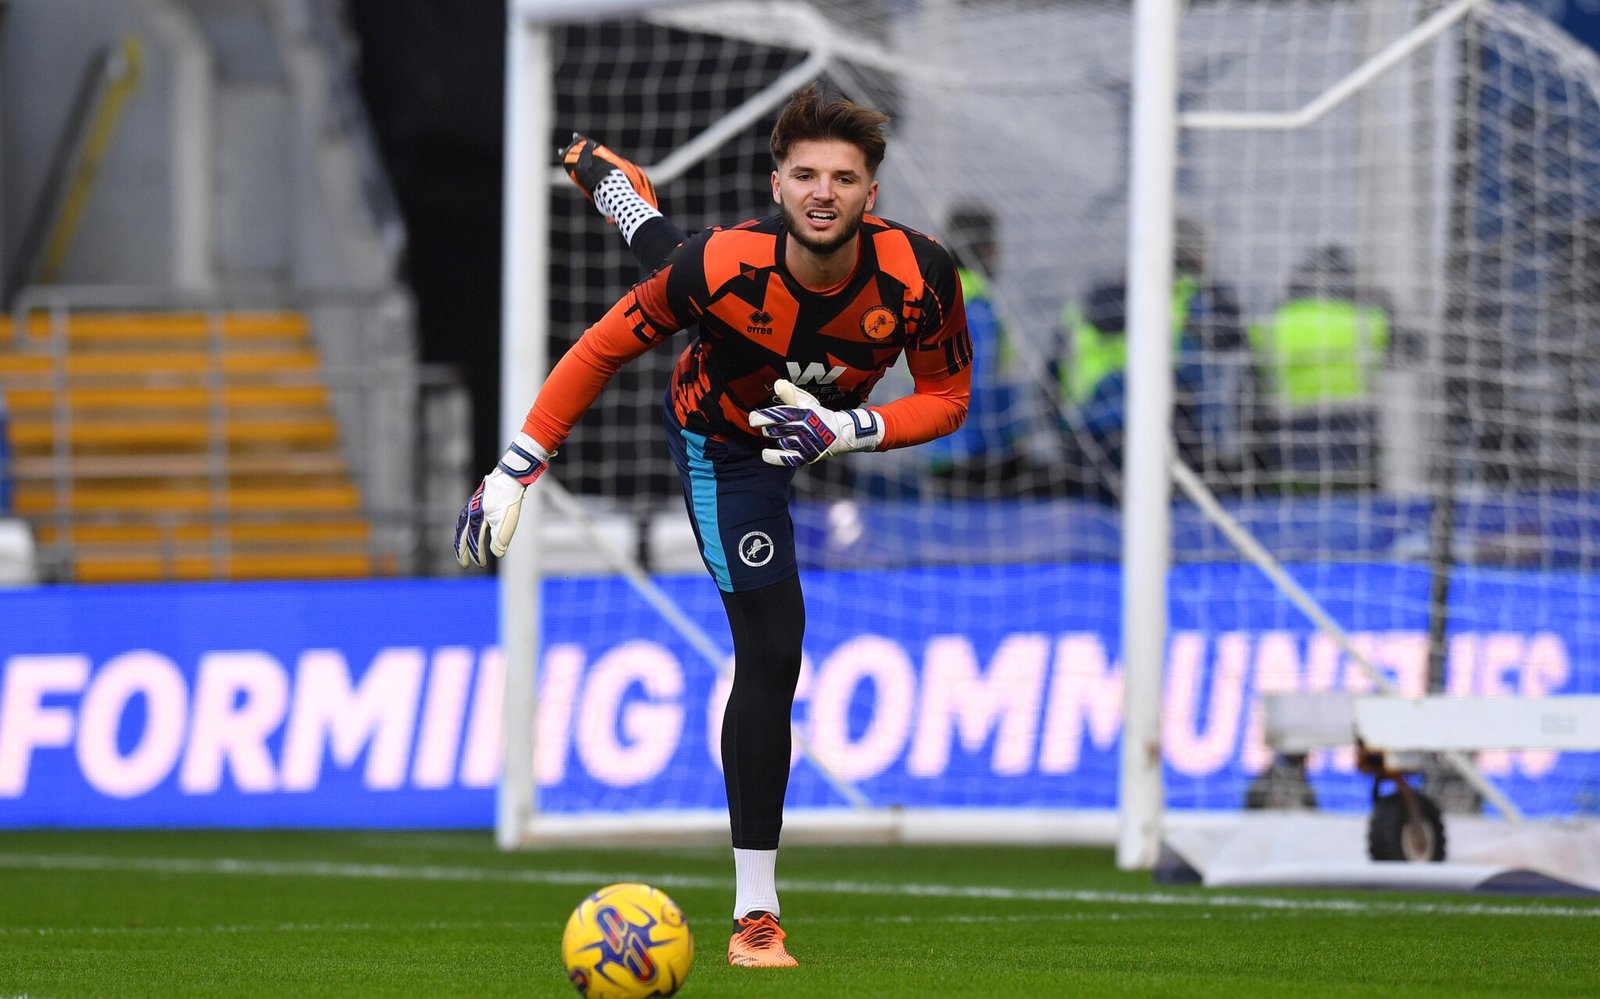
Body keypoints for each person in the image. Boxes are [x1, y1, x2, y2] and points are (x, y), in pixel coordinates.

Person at [454, 85, 972, 969]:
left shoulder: (922, 276)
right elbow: (600, 348)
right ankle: (754, 918)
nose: (823, 191)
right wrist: (515, 468)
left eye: (844, 178)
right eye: (804, 174)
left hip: (820, 432)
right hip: (724, 444)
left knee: (679, 261)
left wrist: (852, 428)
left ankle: (628, 200)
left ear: (871, 197)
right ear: (777, 184)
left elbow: (949, 398)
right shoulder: (729, 264)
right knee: (774, 649)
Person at [1053, 216, 1247, 501]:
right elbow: (1229, 341)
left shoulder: (1081, 310)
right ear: (1193, 256)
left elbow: (1051, 383)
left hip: (1089, 444)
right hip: (1165, 438)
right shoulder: (1192, 300)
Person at [1247, 244, 1392, 491]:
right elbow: (1412, 348)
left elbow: (1252, 381)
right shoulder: (1368, 321)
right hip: (1355, 448)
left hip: (1288, 448)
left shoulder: (1271, 325)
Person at [917, 203, 1028, 494]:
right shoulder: (975, 301)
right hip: (978, 454)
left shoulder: (934, 292)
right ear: (988, 248)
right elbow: (973, 384)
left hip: (938, 447)